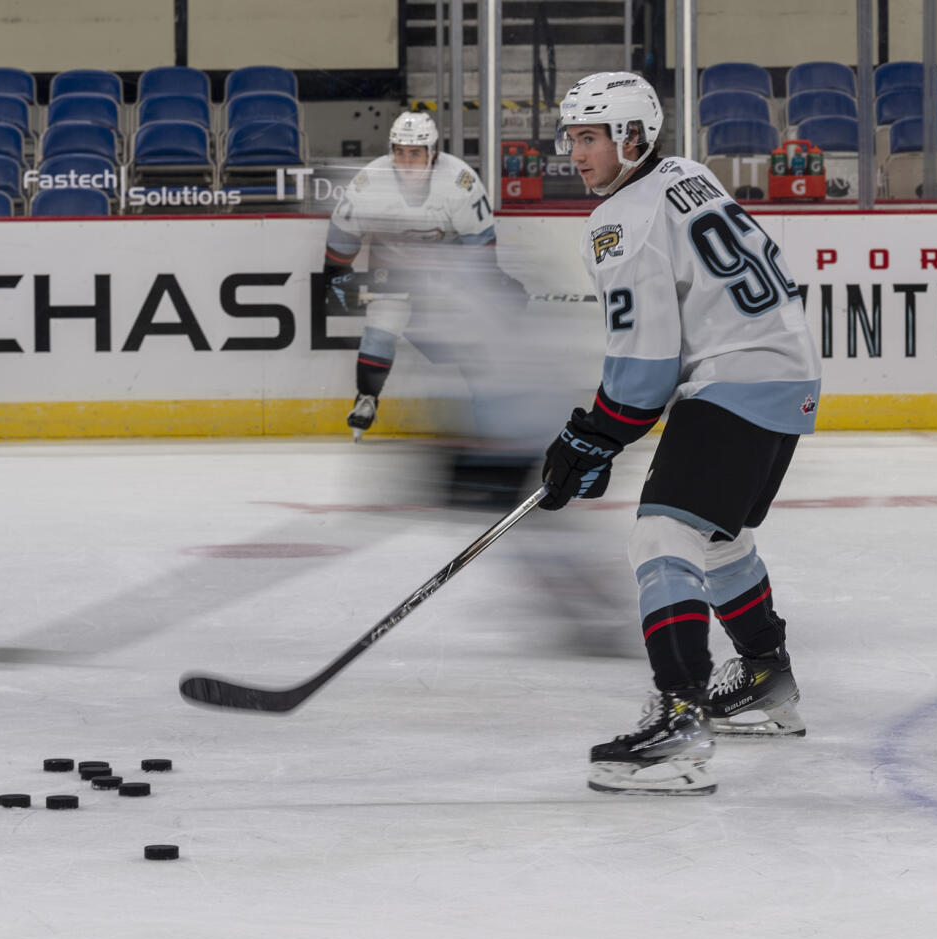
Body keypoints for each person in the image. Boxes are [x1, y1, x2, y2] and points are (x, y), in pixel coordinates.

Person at [539, 72, 822, 795]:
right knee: (715, 534)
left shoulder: (616, 223)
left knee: (662, 535)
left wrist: (590, 436)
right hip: (786, 371)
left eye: (590, 137)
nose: (576, 154)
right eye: (572, 137)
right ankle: (764, 677)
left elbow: (644, 369)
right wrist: (601, 436)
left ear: (632, 136)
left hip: (738, 373)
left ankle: (680, 720)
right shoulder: (686, 174)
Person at [320, 111, 502, 442]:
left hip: (448, 272)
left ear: (432, 152)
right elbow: (342, 236)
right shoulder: (370, 181)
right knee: (381, 327)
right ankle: (367, 399)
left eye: (415, 153)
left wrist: (478, 285)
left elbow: (480, 246)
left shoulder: (461, 181)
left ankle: (486, 400)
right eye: (400, 152)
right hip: (392, 272)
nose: (406, 161)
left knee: (468, 335)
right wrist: (337, 276)